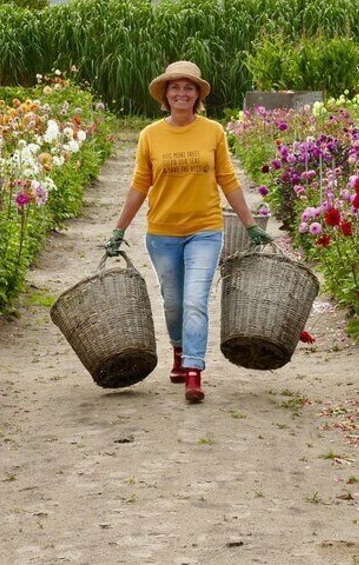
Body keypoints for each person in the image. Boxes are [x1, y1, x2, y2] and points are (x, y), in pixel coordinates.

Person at [105, 60, 272, 403]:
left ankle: (194, 372)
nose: (182, 93)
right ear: (165, 95)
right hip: (162, 233)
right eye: (175, 87)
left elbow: (227, 179)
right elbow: (140, 184)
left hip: (205, 230)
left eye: (189, 87)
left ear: (198, 95)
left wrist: (250, 224)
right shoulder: (150, 135)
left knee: (196, 300)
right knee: (174, 304)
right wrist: (119, 230)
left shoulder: (213, 131)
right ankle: (180, 352)